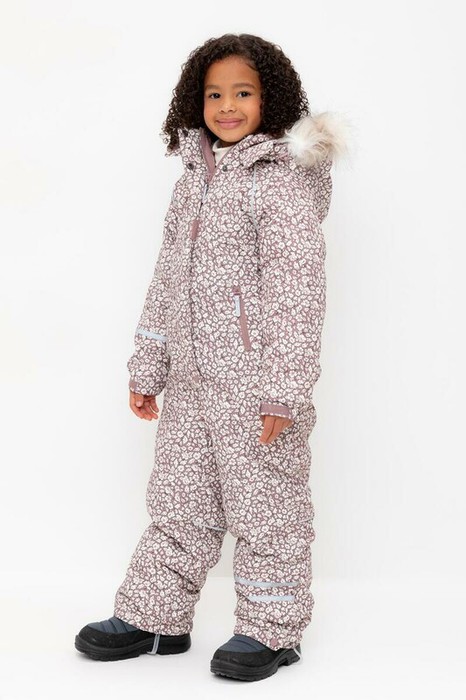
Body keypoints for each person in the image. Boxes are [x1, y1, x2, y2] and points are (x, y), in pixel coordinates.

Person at [74, 32, 349, 682]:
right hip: (193, 387)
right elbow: (167, 281)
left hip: (258, 389)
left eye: (243, 93)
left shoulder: (279, 183)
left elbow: (297, 293)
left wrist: (284, 390)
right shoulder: (193, 181)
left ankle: (271, 630)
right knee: (179, 501)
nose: (227, 106)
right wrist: (149, 366)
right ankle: (155, 617)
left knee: (266, 507)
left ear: (270, 98)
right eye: (214, 94)